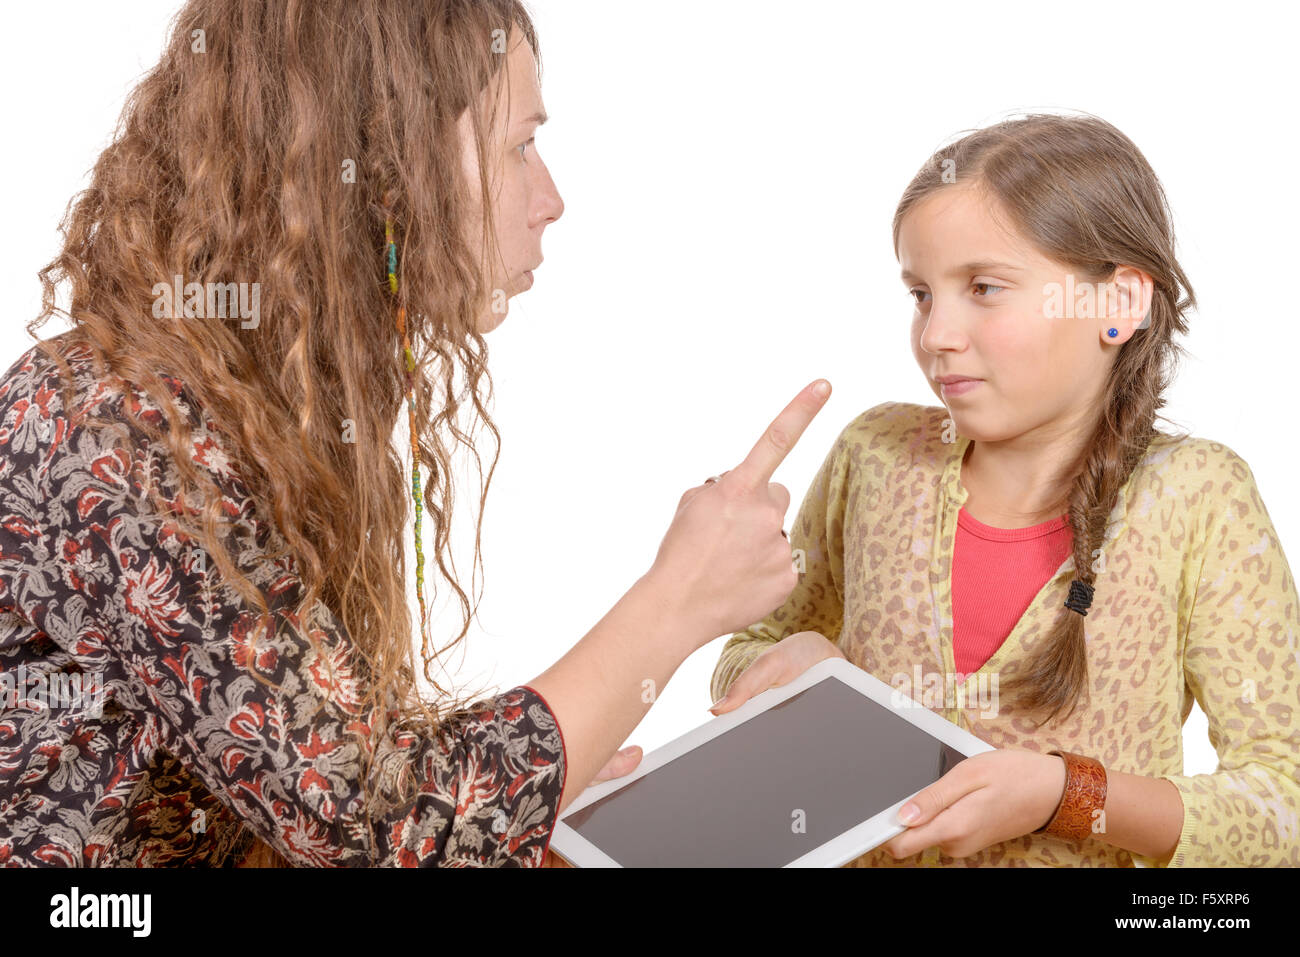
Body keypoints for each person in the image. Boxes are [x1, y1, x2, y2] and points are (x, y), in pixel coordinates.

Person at [0, 0, 829, 867]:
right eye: (517, 147)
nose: (551, 199)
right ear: (387, 170)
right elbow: (368, 825)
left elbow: (321, 763)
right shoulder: (115, 421)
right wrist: (681, 598)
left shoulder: (279, 407)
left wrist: (520, 799)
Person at [708, 112, 1300, 867]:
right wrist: (783, 667)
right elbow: (749, 651)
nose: (935, 335)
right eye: (921, 294)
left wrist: (1066, 794)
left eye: (984, 288)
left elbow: (1283, 803)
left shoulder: (1198, 497)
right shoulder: (875, 457)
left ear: (1117, 305)